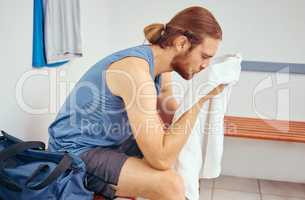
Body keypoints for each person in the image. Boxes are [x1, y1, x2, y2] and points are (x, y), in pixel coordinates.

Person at [48, 6, 223, 200]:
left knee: (179, 157)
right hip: (74, 154)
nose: (205, 65)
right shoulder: (135, 72)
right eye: (205, 56)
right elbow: (161, 159)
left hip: (112, 143)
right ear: (181, 43)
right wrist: (199, 101)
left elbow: (170, 110)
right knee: (169, 185)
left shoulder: (160, 66)